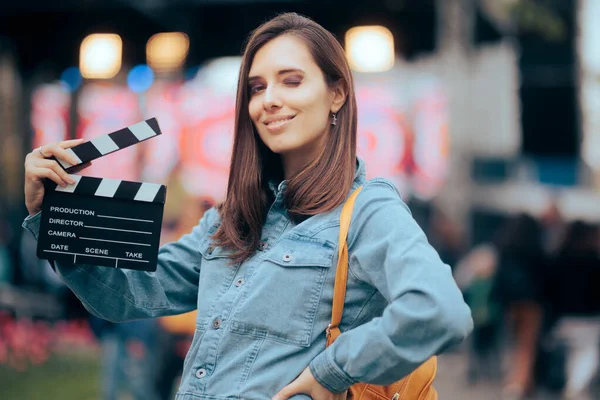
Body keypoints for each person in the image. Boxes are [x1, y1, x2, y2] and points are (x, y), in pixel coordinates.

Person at [22, 13, 472, 399]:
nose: (269, 99)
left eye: (291, 80)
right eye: (256, 88)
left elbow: (439, 310)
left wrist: (331, 369)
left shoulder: (369, 209)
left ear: (337, 93)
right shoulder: (231, 219)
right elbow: (127, 295)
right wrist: (53, 218)